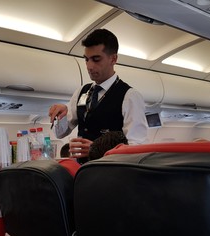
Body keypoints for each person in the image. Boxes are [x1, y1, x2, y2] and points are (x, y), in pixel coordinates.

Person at [49, 28, 147, 163]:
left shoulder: (130, 96)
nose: (89, 66)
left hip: (111, 173)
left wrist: (97, 149)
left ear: (113, 59)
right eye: (86, 59)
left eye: (96, 59)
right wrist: (62, 117)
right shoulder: (81, 92)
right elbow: (60, 133)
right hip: (82, 170)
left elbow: (137, 147)